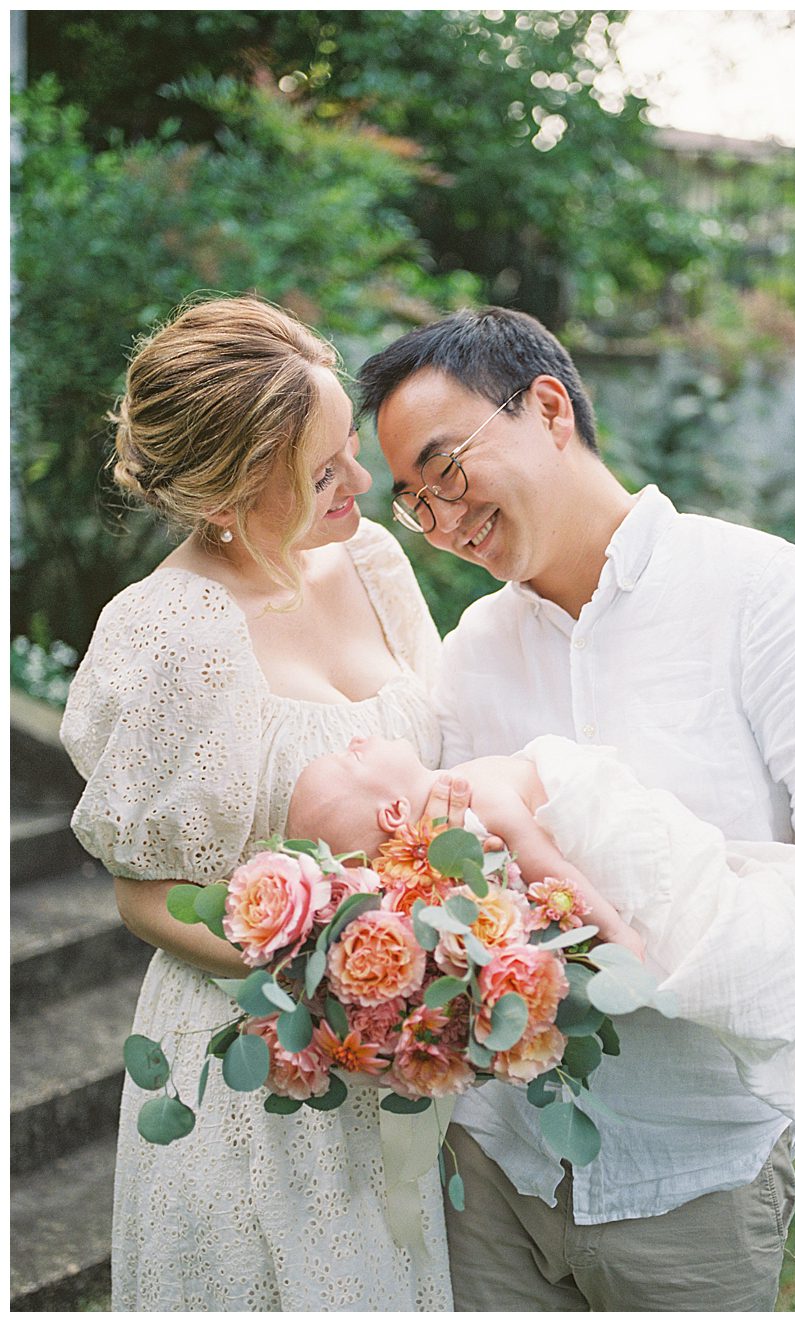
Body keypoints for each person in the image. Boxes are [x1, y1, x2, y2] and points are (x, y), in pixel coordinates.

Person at [357, 305, 795, 1312]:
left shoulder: (760, 589)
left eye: (448, 471)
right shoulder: (472, 649)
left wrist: (682, 938)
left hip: (694, 1169)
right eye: (413, 501)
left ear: (547, 408)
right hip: (498, 1161)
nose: (441, 522)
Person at [60, 296, 466, 1312]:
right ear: (231, 493)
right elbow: (146, 897)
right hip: (257, 1073)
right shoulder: (167, 636)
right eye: (325, 470)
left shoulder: (368, 560)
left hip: (401, 1065)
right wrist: (336, 981)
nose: (362, 484)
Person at [287, 731, 795, 1125]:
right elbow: (555, 872)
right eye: (353, 757)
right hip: (626, 847)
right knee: (721, 913)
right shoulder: (475, 806)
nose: (359, 738)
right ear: (393, 812)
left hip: (605, 806)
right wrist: (618, 939)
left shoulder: (450, 831)